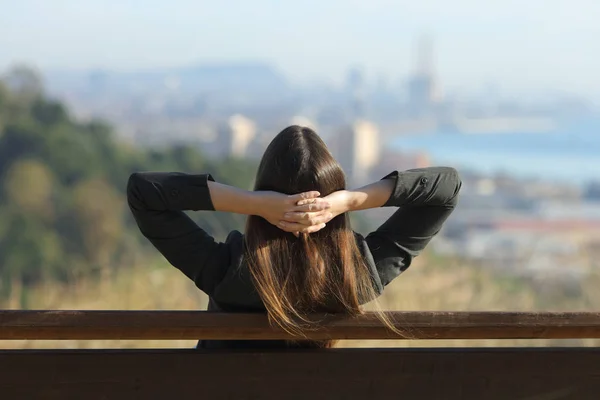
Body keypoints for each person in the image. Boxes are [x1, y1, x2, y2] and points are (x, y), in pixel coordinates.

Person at [127, 125, 462, 349]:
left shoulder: (227, 271)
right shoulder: (358, 274)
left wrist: (254, 203)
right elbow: (446, 188)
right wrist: (347, 201)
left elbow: (144, 192)